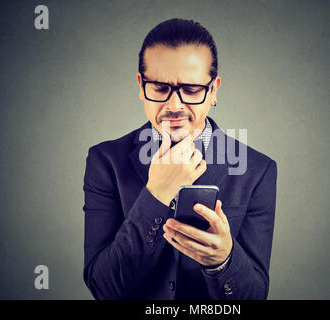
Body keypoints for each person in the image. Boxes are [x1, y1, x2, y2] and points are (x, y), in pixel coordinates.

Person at [82, 18, 277, 300]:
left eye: (192, 90)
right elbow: (104, 288)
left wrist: (223, 260)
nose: (174, 106)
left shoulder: (258, 170)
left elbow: (254, 296)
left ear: (213, 91)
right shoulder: (105, 161)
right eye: (160, 89)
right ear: (141, 86)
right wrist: (157, 194)